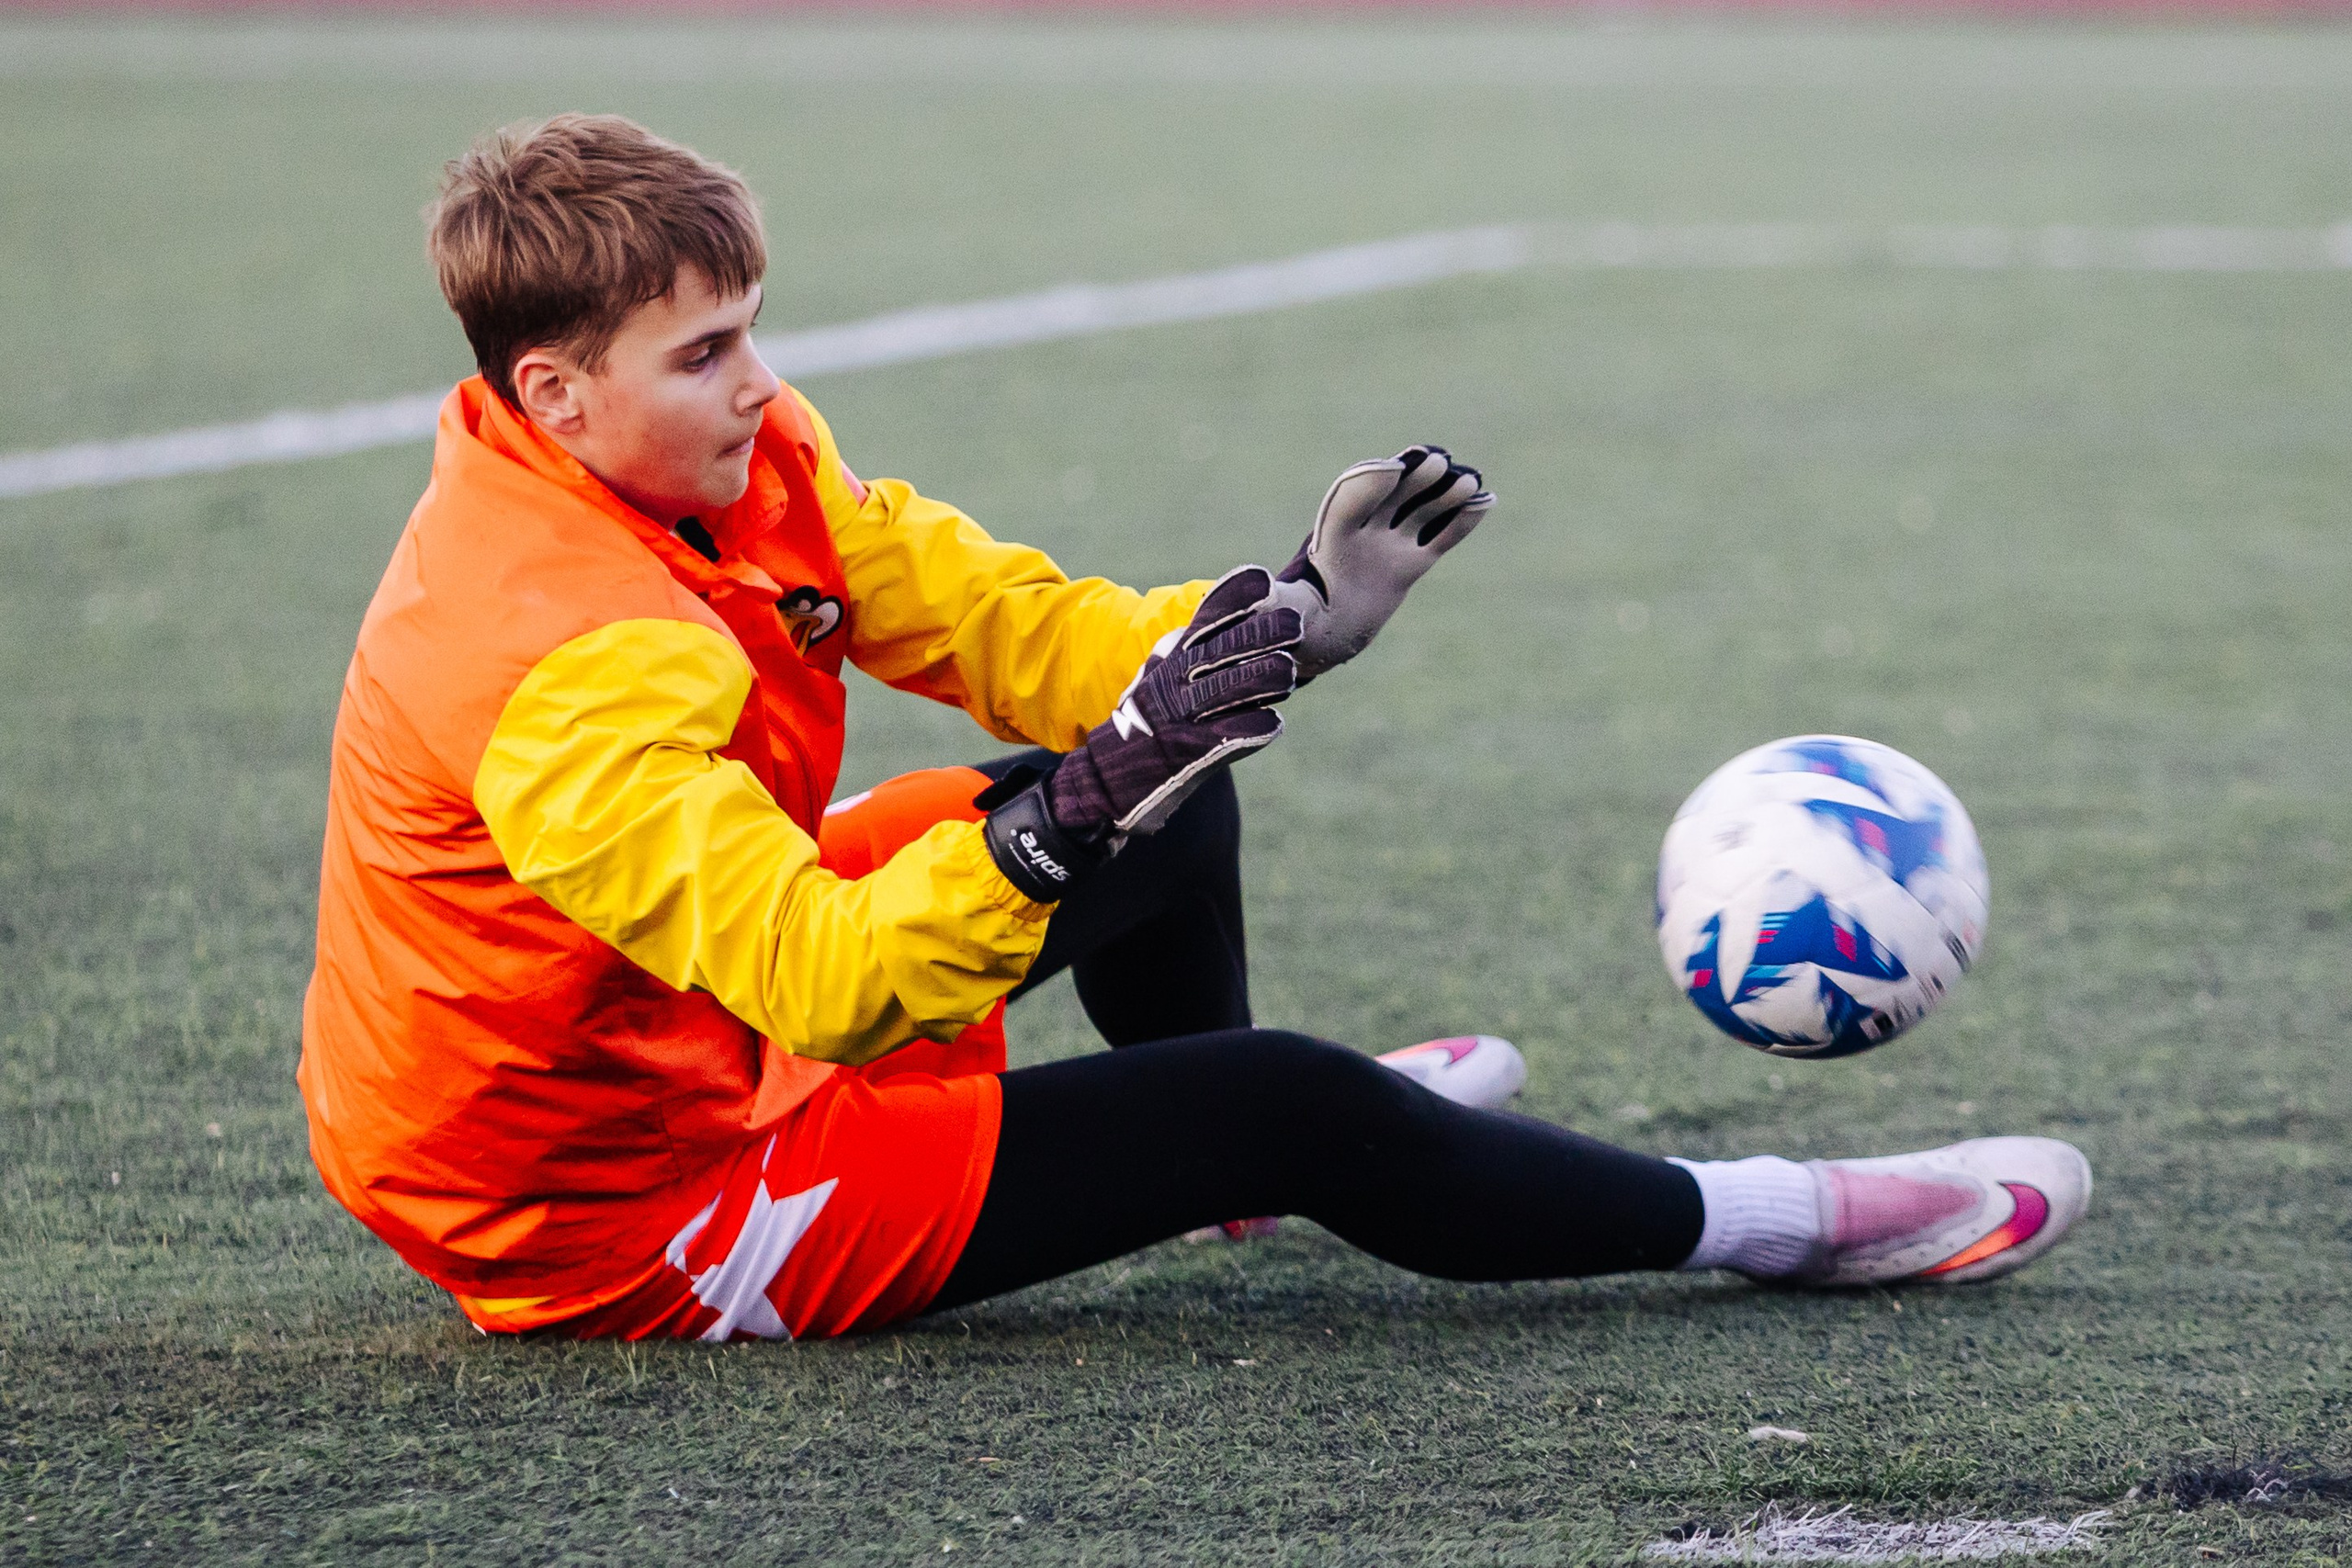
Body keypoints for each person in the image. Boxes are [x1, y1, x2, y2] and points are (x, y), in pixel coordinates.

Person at [297, 114, 2090, 1344]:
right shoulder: (550, 655)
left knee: (1175, 807)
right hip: (597, 1199)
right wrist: (1052, 829)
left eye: (750, 330)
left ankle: (1218, 1189)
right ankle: (1783, 1213)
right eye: (702, 352)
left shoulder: (730, 460)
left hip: (660, 1031)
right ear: (552, 389)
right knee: (1283, 1098)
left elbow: (991, 614)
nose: (757, 382)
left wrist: (1272, 627)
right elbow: (814, 979)